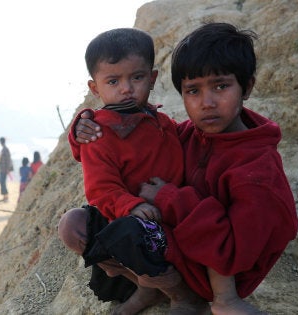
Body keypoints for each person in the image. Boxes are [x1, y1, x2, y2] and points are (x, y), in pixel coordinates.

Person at [71, 23, 298, 315]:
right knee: (76, 223)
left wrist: (168, 198)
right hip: (179, 247)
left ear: (248, 87)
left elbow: (232, 254)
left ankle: (188, 297)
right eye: (193, 90)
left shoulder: (256, 171)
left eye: (221, 86)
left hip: (217, 275)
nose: (207, 103)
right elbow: (133, 145)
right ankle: (150, 286)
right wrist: (82, 131)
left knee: (127, 232)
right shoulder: (188, 134)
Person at [59, 28, 193, 314]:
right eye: (113, 80)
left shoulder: (165, 124)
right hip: (129, 220)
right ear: (95, 88)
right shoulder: (97, 132)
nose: (126, 88)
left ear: (152, 78)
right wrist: (131, 206)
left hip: (169, 219)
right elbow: (100, 190)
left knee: (132, 234)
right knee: (73, 225)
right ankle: (161, 290)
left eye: (137, 77)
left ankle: (176, 295)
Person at [0, 137, 13, 202]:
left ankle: (6, 197)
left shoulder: (6, 149)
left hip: (4, 170)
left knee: (3, 182)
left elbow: (8, 160)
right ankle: (4, 196)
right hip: (2, 169)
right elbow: (2, 160)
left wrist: (7, 169)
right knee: (2, 182)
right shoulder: (3, 149)